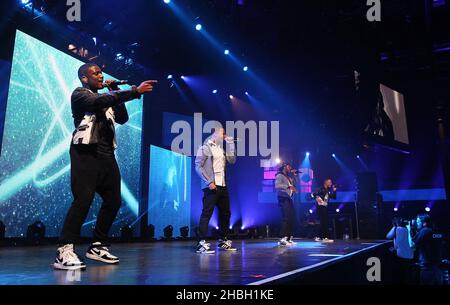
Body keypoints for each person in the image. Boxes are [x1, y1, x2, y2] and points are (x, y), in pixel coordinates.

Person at [54, 63, 156, 270]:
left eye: (101, 72)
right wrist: (134, 91)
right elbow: (98, 101)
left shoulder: (106, 97)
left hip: (107, 155)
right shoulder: (81, 94)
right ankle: (64, 249)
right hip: (86, 153)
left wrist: (113, 90)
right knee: (83, 199)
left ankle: (97, 246)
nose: (101, 76)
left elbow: (123, 118)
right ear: (85, 78)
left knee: (113, 200)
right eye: (96, 73)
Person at [194, 127, 237, 254]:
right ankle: (201, 243)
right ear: (215, 134)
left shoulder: (221, 149)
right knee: (207, 213)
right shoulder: (204, 148)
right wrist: (208, 182)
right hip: (211, 186)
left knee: (226, 213)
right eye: (222, 133)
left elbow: (232, 160)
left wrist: (230, 144)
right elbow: (198, 166)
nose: (224, 135)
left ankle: (223, 240)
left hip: (222, 185)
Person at [408, 214, 443, 285]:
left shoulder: (425, 231)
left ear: (424, 223)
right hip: (437, 267)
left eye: (418, 222)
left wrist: (409, 230)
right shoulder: (433, 230)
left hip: (427, 268)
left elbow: (412, 245)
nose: (416, 224)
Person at [274, 162, 298, 246]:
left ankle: (288, 238)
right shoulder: (279, 175)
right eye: (288, 166)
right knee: (286, 217)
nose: (290, 167)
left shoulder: (288, 177)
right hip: (283, 197)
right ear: (284, 167)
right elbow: (277, 186)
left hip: (289, 198)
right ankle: (282, 238)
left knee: (291, 218)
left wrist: (294, 175)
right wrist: (288, 186)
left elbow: (294, 185)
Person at [386, 217, 414, 283]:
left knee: (400, 276)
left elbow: (388, 236)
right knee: (407, 276)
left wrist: (394, 226)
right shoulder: (408, 229)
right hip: (410, 256)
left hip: (401, 256)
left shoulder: (396, 229)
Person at [311, 178, 336, 243]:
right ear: (325, 182)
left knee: (324, 222)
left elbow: (334, 197)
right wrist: (317, 198)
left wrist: (334, 190)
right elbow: (313, 194)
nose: (331, 183)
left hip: (325, 207)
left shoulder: (328, 190)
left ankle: (322, 237)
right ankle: (321, 237)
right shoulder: (321, 189)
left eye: (331, 182)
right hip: (320, 207)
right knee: (323, 222)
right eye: (329, 182)